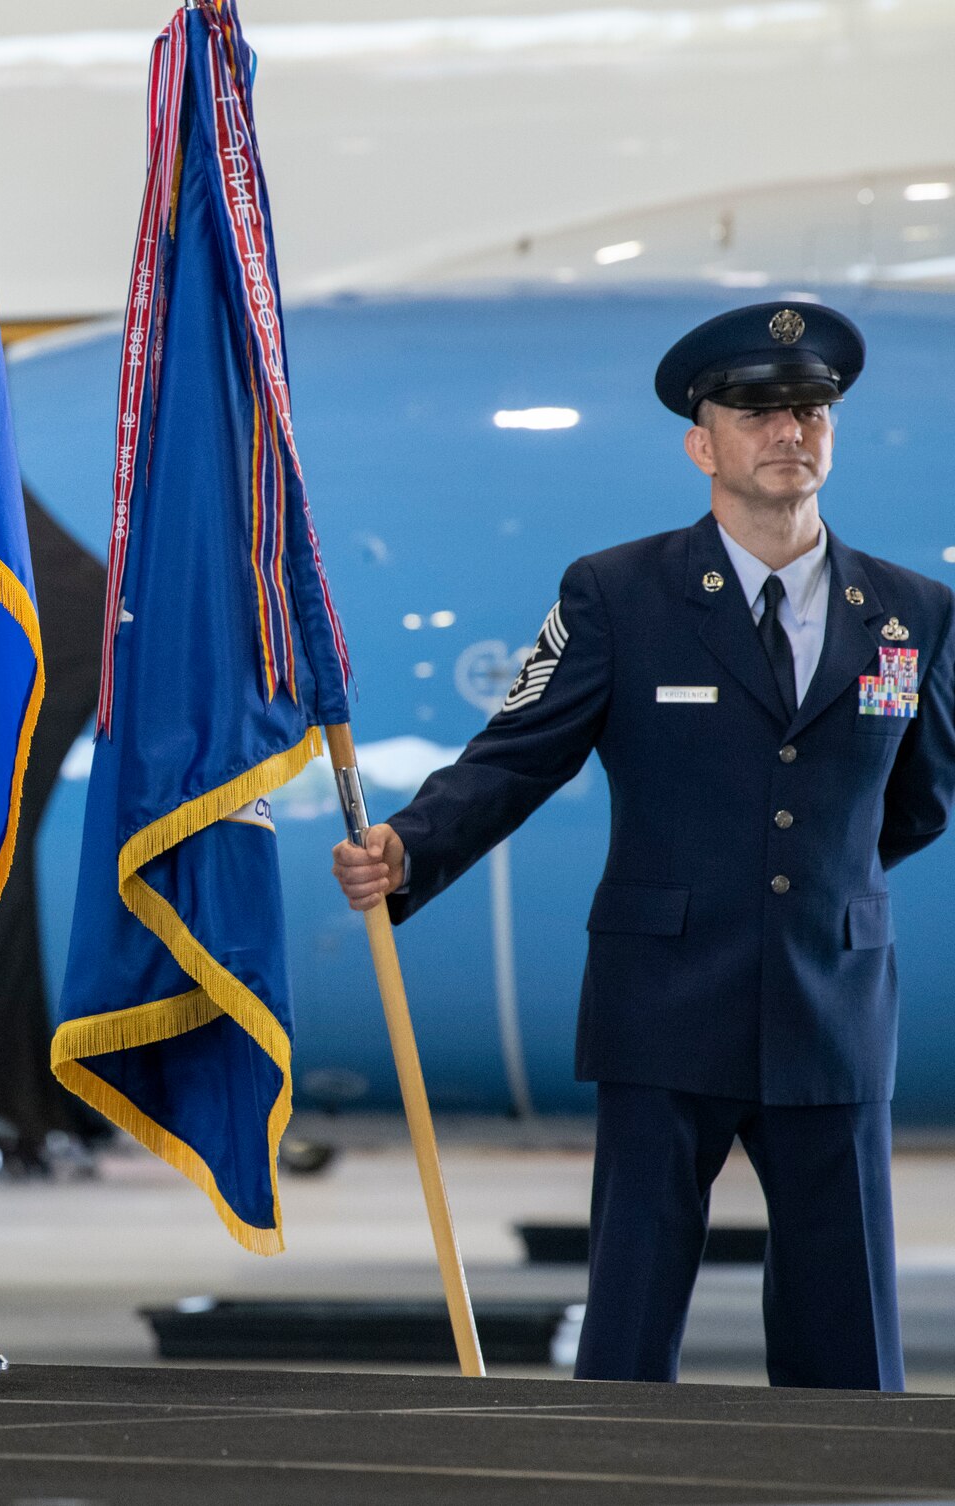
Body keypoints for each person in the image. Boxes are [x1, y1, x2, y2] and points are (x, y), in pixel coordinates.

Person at [331, 302, 955, 1389]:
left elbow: (918, 799)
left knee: (847, 1339)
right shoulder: (618, 596)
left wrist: (814, 893)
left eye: (806, 408)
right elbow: (516, 752)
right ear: (699, 443)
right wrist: (411, 847)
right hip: (663, 997)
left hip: (830, 1001)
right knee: (628, 1331)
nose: (785, 430)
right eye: (753, 410)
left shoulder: (909, 613)